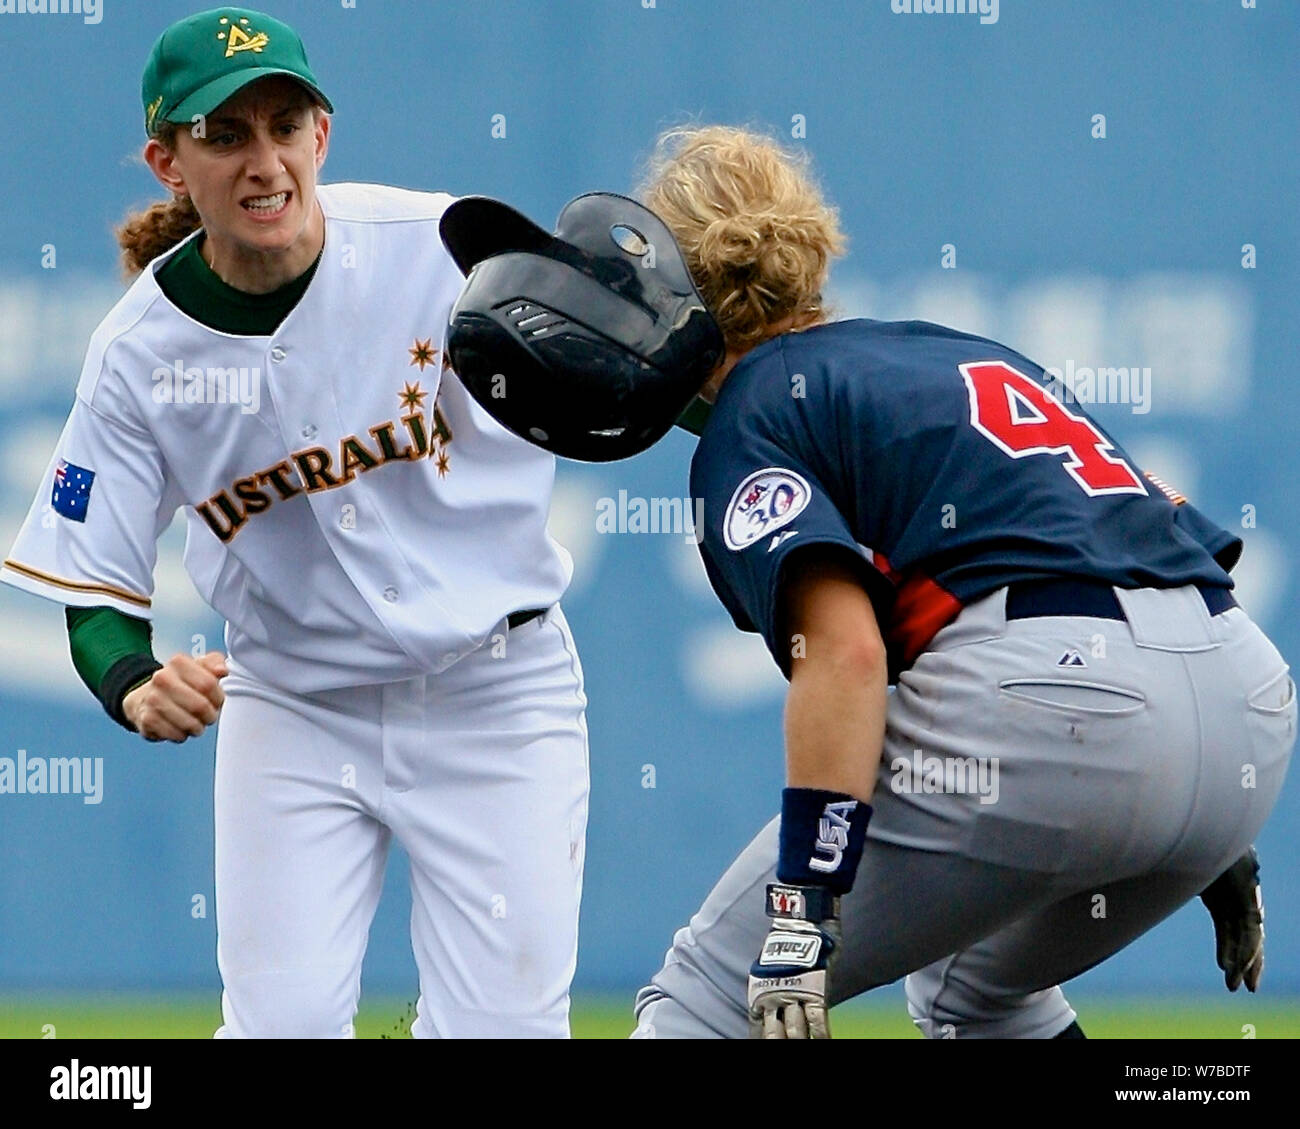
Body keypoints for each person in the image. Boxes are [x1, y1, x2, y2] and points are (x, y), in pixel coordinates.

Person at [608, 125, 1291, 1038]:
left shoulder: (758, 403)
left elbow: (845, 656)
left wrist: (804, 907)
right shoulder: (963, 353)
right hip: (1244, 704)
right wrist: (1209, 814)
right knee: (976, 994)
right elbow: (1155, 533)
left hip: (1066, 711)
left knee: (703, 998)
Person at [1, 7, 590, 1039]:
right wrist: (134, 681)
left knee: (504, 1031)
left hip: (497, 688)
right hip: (295, 702)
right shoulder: (139, 353)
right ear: (168, 163)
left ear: (322, 135)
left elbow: (614, 376)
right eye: (224, 135)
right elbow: (96, 591)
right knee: (280, 1028)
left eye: (285, 124)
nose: (263, 159)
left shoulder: (440, 248)